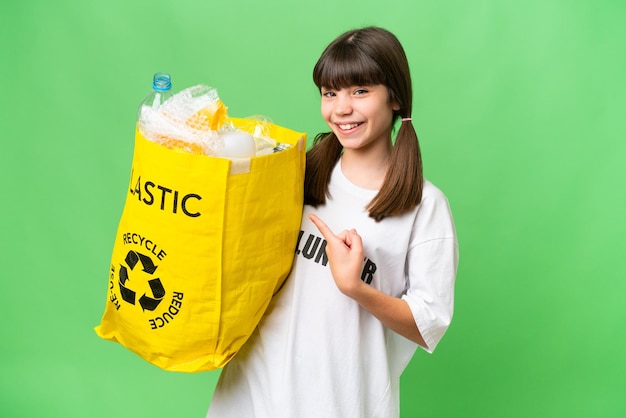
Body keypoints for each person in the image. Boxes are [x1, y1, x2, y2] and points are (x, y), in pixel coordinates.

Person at [206, 26, 459, 418]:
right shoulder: (298, 172)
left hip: (341, 401)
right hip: (252, 391)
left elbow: (428, 323)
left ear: (393, 97)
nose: (341, 108)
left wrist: (354, 287)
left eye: (360, 91)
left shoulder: (425, 206)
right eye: (330, 93)